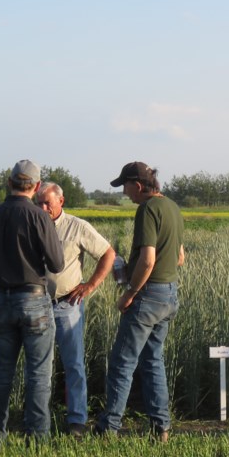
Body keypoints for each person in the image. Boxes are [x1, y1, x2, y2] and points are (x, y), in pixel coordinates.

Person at [0, 160, 64, 441]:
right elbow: (57, 264)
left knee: (1, 373)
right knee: (37, 374)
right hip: (34, 301)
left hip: (1, 300)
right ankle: (36, 438)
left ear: (9, 182)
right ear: (36, 187)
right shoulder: (39, 217)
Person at [95, 162, 185, 442]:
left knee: (123, 361)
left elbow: (148, 259)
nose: (124, 192)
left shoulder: (146, 210)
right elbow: (180, 256)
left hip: (147, 297)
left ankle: (108, 428)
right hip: (169, 294)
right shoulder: (172, 207)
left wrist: (130, 292)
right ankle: (161, 428)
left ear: (138, 184)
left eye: (125, 185)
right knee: (153, 360)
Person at [35, 181, 116, 436]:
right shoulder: (32, 224)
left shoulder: (77, 226)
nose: (43, 207)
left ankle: (77, 422)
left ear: (62, 201)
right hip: (37, 305)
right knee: (39, 366)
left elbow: (108, 253)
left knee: (74, 364)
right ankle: (39, 421)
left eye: (47, 202)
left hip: (67, 305)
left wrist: (90, 285)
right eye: (39, 202)